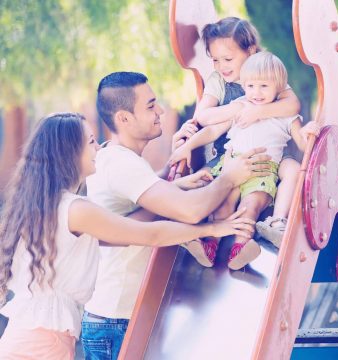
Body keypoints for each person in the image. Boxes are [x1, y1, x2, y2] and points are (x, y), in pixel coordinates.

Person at [0, 112, 257, 359]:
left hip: (29, 338)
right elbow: (150, 235)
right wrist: (213, 225)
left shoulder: (50, 206)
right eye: (91, 142)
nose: (98, 150)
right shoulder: (76, 209)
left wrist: (169, 188)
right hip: (40, 346)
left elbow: (124, 229)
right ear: (69, 153)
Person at [80, 71, 272, 359]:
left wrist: (172, 172)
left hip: (120, 316)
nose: (161, 111)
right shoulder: (121, 164)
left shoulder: (115, 157)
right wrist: (230, 178)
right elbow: (191, 210)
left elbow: (140, 205)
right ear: (123, 118)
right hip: (117, 321)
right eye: (150, 105)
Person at [172, 52, 320, 270]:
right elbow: (213, 131)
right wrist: (187, 146)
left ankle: (240, 250)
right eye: (250, 86)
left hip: (262, 170)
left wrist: (308, 133)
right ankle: (208, 246)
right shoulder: (240, 106)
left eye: (263, 86)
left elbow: (302, 144)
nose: (256, 93)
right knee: (221, 207)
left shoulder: (286, 116)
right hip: (230, 166)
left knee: (249, 208)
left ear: (279, 87)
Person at [169, 16, 302, 250]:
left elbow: (292, 106)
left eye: (228, 59)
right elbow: (204, 117)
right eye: (216, 60)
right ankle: (203, 240)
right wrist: (236, 109)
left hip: (263, 159)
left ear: (250, 51)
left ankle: (242, 243)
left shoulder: (267, 75)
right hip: (226, 155)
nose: (222, 66)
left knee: (249, 198)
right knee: (204, 188)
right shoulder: (220, 82)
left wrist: (258, 112)